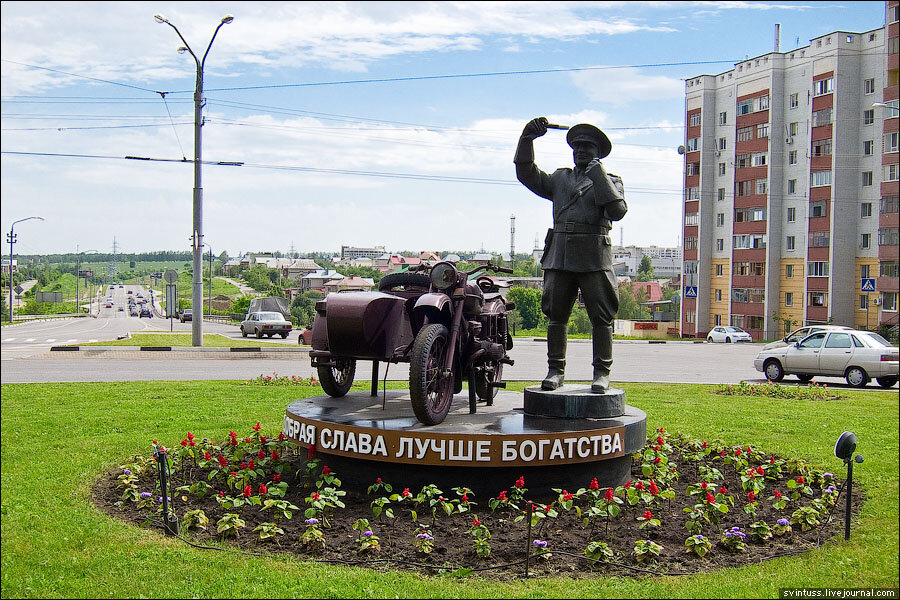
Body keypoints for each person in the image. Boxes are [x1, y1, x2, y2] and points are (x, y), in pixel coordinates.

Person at [514, 117, 627, 393]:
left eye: (587, 147)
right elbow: (526, 173)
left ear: (598, 152)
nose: (580, 152)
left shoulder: (610, 180)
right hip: (561, 254)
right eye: (576, 147)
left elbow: (618, 211)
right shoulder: (561, 179)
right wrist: (526, 139)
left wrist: (597, 174)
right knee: (557, 316)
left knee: (601, 317)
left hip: (593, 257)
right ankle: (556, 371)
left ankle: (602, 373)